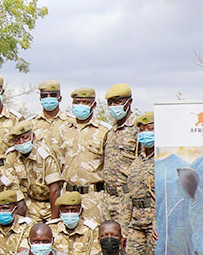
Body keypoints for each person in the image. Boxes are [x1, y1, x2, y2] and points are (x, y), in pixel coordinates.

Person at [60, 86, 109, 222]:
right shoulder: (64, 130)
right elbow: (60, 161)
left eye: (85, 102)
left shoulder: (104, 131)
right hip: (68, 196)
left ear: (93, 105)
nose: (80, 106)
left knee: (94, 237)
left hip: (94, 197)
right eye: (77, 102)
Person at [2, 121, 63, 222]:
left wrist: (54, 221)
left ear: (33, 137)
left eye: (25, 138)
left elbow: (55, 190)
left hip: (50, 203)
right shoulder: (11, 156)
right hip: (29, 204)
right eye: (17, 140)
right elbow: (13, 187)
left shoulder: (45, 155)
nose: (22, 142)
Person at [101, 83, 138, 230]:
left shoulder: (137, 129)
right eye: (110, 103)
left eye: (118, 102)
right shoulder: (110, 131)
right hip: (108, 198)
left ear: (129, 102)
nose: (113, 106)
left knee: (124, 243)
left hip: (126, 199)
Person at [125, 112, 156, 255]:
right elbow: (129, 195)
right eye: (142, 130)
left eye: (150, 129)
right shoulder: (137, 160)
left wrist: (160, 224)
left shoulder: (162, 159)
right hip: (136, 221)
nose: (145, 134)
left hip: (153, 220)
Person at [28, 79, 71, 162]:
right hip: (40, 172)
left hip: (64, 172)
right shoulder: (30, 124)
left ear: (60, 98)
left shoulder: (71, 123)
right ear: (40, 98)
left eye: (53, 95)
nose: (48, 98)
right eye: (44, 95)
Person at [49, 191, 101, 255]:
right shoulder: (51, 228)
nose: (70, 213)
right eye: (66, 210)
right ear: (60, 211)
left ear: (81, 211)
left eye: (74, 210)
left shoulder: (92, 230)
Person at [0, 190, 34, 255]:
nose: (1, 212)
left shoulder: (27, 225)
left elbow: (24, 252)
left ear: (15, 209)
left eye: (5, 208)